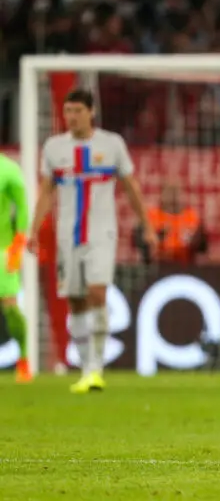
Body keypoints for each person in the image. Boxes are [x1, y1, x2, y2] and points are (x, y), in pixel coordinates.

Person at [28, 89, 158, 394]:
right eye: (67, 111)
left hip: (101, 233)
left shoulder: (111, 144)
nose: (71, 117)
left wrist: (147, 225)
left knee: (97, 293)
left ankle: (95, 368)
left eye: (77, 111)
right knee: (75, 300)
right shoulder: (54, 148)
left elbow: (130, 186)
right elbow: (46, 191)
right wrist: (33, 230)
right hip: (66, 235)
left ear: (91, 112)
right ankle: (85, 366)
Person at [0, 153, 31, 383]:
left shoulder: (8, 169)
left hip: (2, 249)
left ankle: (23, 359)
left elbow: (21, 206)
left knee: (10, 307)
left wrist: (18, 244)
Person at [135, 182, 207, 265]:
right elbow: (139, 241)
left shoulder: (192, 216)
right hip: (158, 264)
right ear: (162, 194)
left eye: (177, 192)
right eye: (170, 191)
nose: (173, 196)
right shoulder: (152, 215)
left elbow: (203, 247)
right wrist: (157, 236)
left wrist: (197, 241)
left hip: (186, 264)